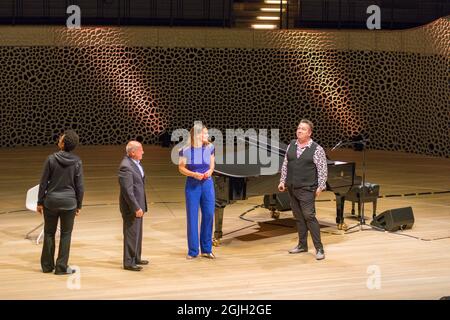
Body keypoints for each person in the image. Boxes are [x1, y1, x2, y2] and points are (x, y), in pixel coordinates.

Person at [278, 119, 328, 260]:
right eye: (299, 128)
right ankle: (302, 245)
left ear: (309, 133)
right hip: (292, 188)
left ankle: (319, 248)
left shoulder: (316, 149)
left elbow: (322, 169)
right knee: (299, 218)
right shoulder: (291, 145)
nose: (299, 130)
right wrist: (282, 181)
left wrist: (321, 186)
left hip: (307, 189)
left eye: (303, 129)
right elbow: (285, 165)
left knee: (309, 217)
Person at [37, 130, 84, 274]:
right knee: (66, 234)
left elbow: (43, 182)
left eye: (61, 138)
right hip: (70, 203)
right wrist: (79, 205)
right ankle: (61, 267)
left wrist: (39, 201)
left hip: (51, 202)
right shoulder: (77, 162)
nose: (59, 139)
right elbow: (80, 186)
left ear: (63, 143)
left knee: (49, 233)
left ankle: (47, 266)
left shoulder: (51, 159)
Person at [178, 124, 216, 260]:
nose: (207, 136)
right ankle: (193, 250)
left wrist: (209, 172)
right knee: (193, 217)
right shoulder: (185, 150)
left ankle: (206, 249)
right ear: (197, 135)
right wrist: (193, 174)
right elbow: (181, 168)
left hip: (207, 184)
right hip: (193, 185)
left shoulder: (210, 147)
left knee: (209, 214)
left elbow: (212, 165)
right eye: (205, 134)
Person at [118, 141, 149, 271]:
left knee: (137, 233)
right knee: (131, 233)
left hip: (139, 204)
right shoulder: (126, 167)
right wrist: (136, 207)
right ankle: (129, 262)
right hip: (132, 207)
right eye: (141, 150)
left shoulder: (135, 164)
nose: (143, 152)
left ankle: (136, 257)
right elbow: (127, 191)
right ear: (132, 152)